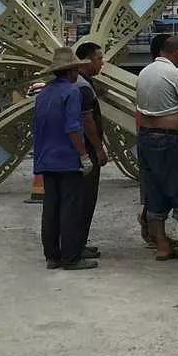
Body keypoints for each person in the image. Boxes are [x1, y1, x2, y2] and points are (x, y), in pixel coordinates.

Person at [33, 46, 96, 270]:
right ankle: (71, 256)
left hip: (46, 159)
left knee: (51, 208)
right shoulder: (72, 92)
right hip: (67, 159)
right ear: (70, 71)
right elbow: (73, 128)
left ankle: (52, 256)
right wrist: (83, 155)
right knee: (70, 208)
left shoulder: (44, 94)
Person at [135, 35, 178, 260]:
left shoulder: (144, 73)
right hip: (169, 139)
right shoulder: (176, 74)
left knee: (154, 191)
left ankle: (162, 246)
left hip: (145, 138)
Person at [75, 39, 107, 258]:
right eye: (99, 58)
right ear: (87, 61)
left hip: (80, 150)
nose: (102, 63)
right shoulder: (83, 86)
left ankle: (78, 243)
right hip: (87, 149)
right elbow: (87, 121)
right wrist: (98, 148)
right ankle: (77, 245)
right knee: (85, 198)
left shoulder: (80, 83)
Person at [136, 32, 169, 242]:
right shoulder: (166, 76)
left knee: (150, 189)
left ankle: (152, 233)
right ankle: (155, 234)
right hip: (162, 137)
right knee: (162, 189)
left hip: (144, 136)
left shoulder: (144, 75)